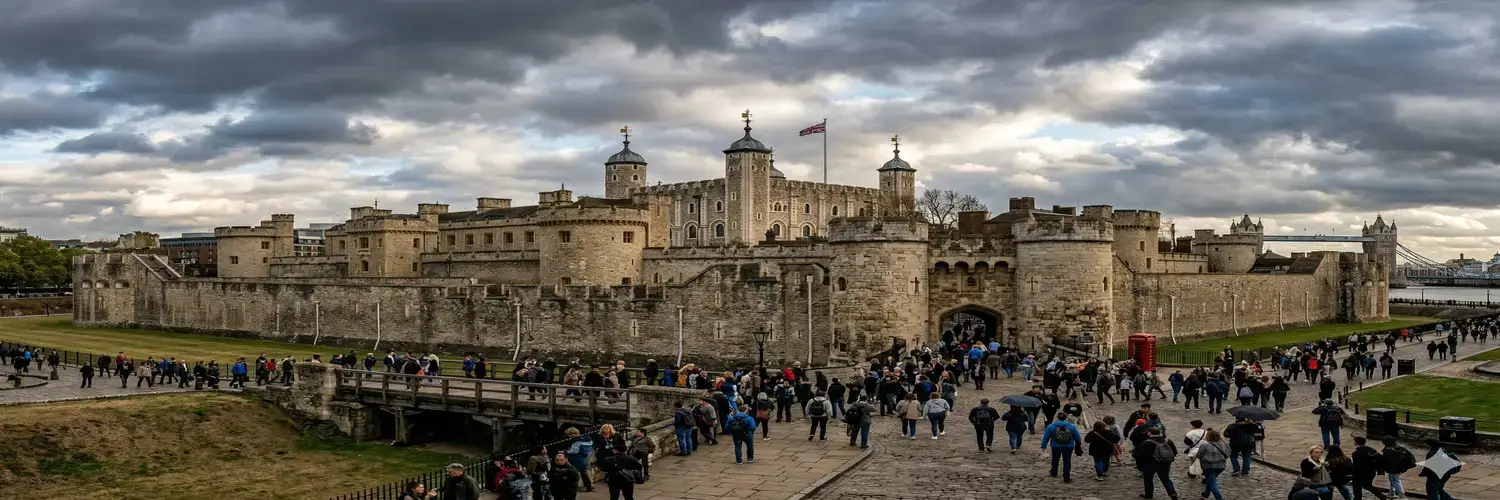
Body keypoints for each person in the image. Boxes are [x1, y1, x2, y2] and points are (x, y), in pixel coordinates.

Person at [1134, 427, 1178, 499]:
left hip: (1150, 464)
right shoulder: (1167, 441)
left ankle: (1149, 495)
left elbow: (1142, 455)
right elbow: (1174, 452)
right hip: (1164, 463)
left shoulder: (1147, 442)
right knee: (1166, 479)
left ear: (1149, 433)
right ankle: (1172, 492)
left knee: (1148, 479)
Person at [1188, 428, 1230, 500]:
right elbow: (1229, 453)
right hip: (1221, 466)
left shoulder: (1204, 445)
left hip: (1209, 466)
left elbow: (1199, 455)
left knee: (1213, 484)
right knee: (1210, 480)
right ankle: (1205, 495)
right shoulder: (1223, 444)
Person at [1040, 414, 1083, 483]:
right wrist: (1078, 444)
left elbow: (1046, 437)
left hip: (1055, 446)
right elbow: (1077, 437)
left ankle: (1054, 472)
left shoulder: (1051, 426)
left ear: (1057, 418)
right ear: (1066, 418)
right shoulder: (1071, 426)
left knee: (1055, 459)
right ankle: (1066, 476)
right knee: (1067, 461)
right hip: (1068, 446)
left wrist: (1043, 446)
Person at [564, 428, 595, 492]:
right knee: (584, 473)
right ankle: (589, 487)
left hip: (576, 459)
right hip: (585, 458)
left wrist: (565, 452)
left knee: (575, 473)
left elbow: (574, 451)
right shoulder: (587, 438)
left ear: (572, 434)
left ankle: (574, 487)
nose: (569, 437)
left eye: (569, 435)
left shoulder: (576, 441)